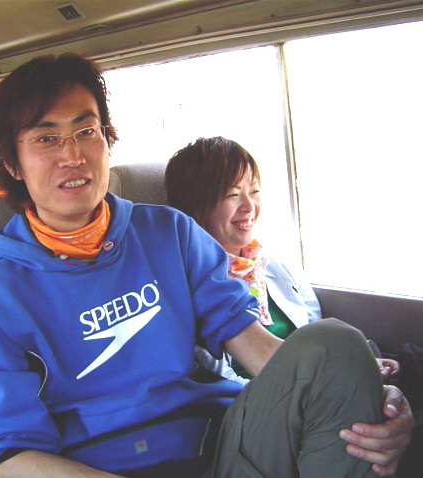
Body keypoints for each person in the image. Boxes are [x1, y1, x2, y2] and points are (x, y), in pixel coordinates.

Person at [0, 53, 398, 478]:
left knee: (336, 343)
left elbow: (252, 343)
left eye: (86, 131)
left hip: (220, 444)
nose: (74, 155)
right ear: (13, 164)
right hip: (96, 467)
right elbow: (11, 456)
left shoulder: (169, 233)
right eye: (47, 138)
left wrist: (360, 394)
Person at [165, 136, 414, 476]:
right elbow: (215, 383)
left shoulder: (275, 268)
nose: (249, 206)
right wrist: (332, 386)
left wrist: (365, 369)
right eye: (232, 195)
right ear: (196, 206)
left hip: (312, 395)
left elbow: (313, 335)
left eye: (254, 191)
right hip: (253, 417)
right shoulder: (180, 285)